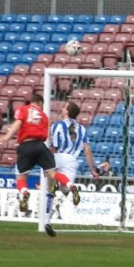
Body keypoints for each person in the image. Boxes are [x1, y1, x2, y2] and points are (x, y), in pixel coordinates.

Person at [0, 93, 77, 216]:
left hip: (25, 145)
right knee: (53, 173)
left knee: (21, 177)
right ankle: (70, 185)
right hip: (40, 146)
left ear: (32, 102)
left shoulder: (23, 109)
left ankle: (24, 193)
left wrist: (7, 136)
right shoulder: (44, 117)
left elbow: (17, 123)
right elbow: (45, 136)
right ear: (40, 104)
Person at [43, 101, 99, 237]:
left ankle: (47, 221)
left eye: (64, 107)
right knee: (65, 189)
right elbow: (87, 150)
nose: (62, 109)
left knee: (51, 188)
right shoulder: (82, 129)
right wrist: (92, 170)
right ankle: (71, 187)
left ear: (67, 111)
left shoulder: (58, 125)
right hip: (72, 160)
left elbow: (53, 146)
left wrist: (46, 164)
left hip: (58, 156)